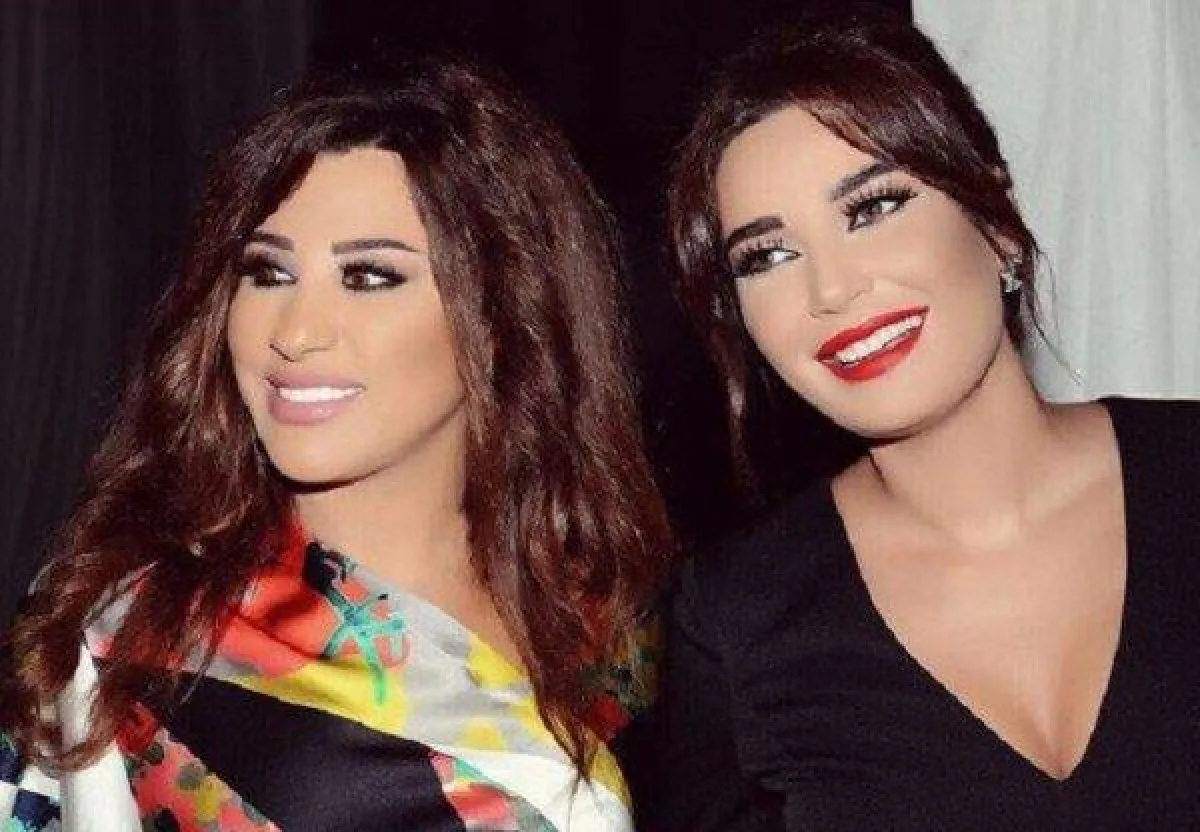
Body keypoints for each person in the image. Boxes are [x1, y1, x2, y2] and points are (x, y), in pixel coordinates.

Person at [0, 56, 670, 831]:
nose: (295, 332)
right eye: (266, 272)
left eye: (370, 276)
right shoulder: (139, 629)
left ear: (504, 312)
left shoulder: (617, 619)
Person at [657, 9, 1200, 830]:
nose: (832, 289)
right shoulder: (737, 616)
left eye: (873, 207)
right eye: (768, 256)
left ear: (995, 220)